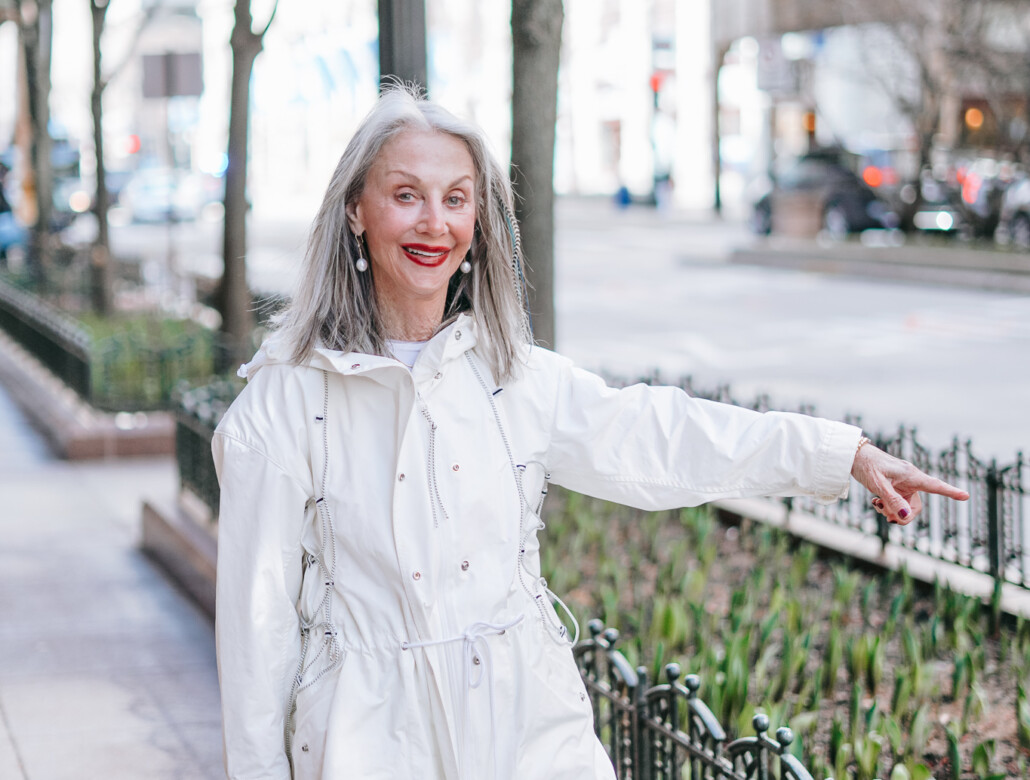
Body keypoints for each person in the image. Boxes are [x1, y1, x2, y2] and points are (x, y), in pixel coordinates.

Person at [212, 84, 968, 780]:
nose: (433, 222)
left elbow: (662, 436)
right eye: (405, 195)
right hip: (366, 743)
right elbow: (257, 635)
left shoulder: (515, 376)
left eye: (455, 199)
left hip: (529, 732)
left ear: (478, 222)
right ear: (356, 209)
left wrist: (843, 455)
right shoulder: (284, 405)